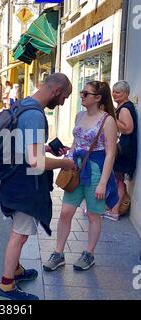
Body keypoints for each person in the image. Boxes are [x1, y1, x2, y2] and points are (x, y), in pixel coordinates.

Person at [0, 73, 74, 300]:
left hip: (14, 179)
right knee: (19, 235)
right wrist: (64, 163)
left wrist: (47, 149)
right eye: (65, 97)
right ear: (57, 91)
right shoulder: (35, 115)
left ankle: (17, 270)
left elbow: (26, 148)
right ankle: (7, 285)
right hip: (24, 184)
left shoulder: (24, 105)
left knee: (19, 232)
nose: (63, 103)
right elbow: (35, 161)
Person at [43, 81, 118, 274]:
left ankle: (89, 253)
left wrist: (102, 182)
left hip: (95, 171)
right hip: (76, 169)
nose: (81, 95)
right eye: (81, 92)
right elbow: (76, 142)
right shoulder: (79, 116)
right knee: (66, 212)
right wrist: (68, 158)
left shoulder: (107, 120)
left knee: (94, 215)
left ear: (98, 98)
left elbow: (110, 153)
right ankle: (58, 253)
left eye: (86, 93)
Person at [103, 81, 138, 221]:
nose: (115, 94)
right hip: (123, 149)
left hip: (124, 150)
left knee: (118, 181)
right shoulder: (122, 107)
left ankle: (115, 211)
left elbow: (128, 128)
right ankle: (113, 209)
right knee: (118, 180)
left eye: (119, 92)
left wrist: (111, 118)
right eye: (114, 91)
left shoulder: (125, 108)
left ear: (126, 93)